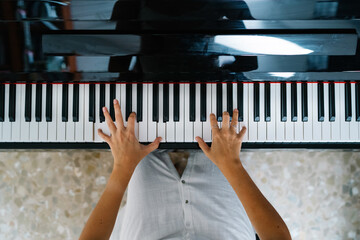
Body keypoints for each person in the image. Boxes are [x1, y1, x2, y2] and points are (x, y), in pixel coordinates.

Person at [79, 99, 292, 240]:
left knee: (139, 147)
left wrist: (121, 168)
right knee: (219, 143)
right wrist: (232, 165)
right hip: (222, 230)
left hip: (149, 232)